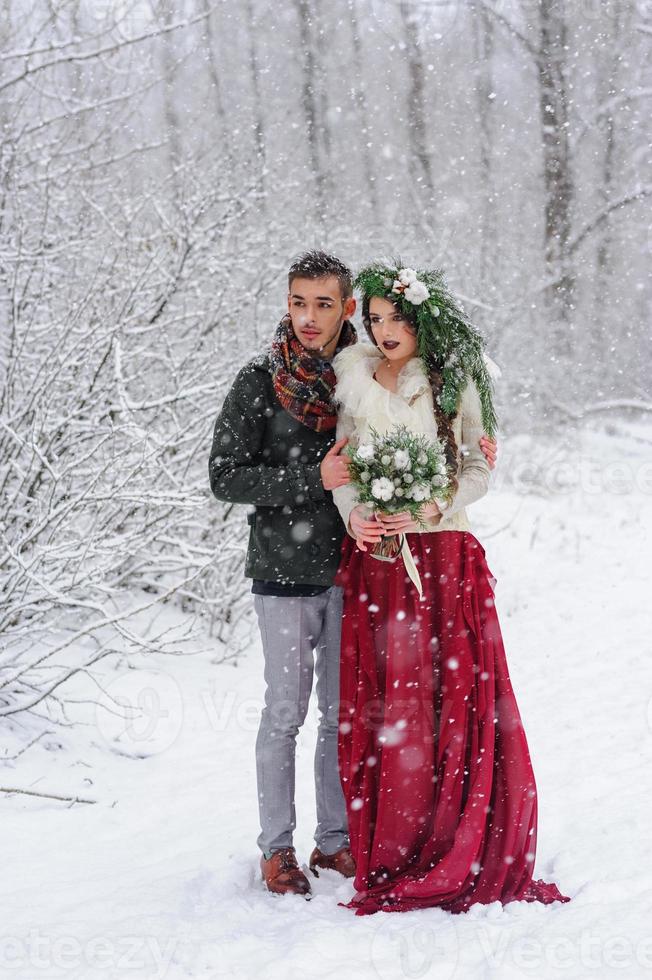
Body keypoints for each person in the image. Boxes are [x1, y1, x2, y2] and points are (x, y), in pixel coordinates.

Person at [208, 251, 498, 899]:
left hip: (358, 571)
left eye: (323, 304)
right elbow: (224, 476)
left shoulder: (361, 372)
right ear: (286, 305)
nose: (308, 317)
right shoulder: (260, 381)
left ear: (346, 311)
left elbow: (428, 425)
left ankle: (334, 841)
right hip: (284, 573)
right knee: (285, 710)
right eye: (297, 303)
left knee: (345, 714)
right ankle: (276, 850)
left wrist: (468, 449)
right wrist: (312, 477)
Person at [330, 262, 571, 915]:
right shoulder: (352, 384)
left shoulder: (448, 379)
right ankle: (399, 841)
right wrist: (354, 512)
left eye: (396, 317)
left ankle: (459, 837)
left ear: (420, 318)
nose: (384, 330)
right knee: (394, 707)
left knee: (455, 697)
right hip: (378, 560)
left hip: (443, 555)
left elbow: (476, 466)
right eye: (375, 318)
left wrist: (432, 507)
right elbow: (344, 467)